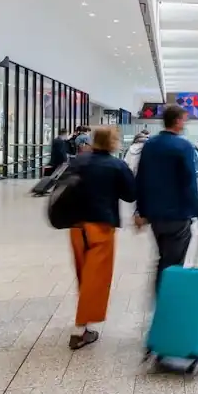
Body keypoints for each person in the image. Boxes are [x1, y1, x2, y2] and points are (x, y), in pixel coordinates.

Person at [64, 127, 136, 350]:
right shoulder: (116, 165)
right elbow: (130, 193)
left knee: (84, 274)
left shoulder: (79, 162)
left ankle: (83, 325)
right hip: (101, 227)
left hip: (76, 227)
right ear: (112, 142)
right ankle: (79, 329)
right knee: (97, 279)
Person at [135, 105, 198, 293]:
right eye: (184, 119)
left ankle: (161, 299)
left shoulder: (150, 144)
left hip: (155, 216)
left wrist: (140, 210)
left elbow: (140, 178)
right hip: (177, 216)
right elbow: (190, 186)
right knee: (172, 264)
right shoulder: (183, 145)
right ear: (177, 121)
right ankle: (166, 305)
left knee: (164, 258)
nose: (184, 123)